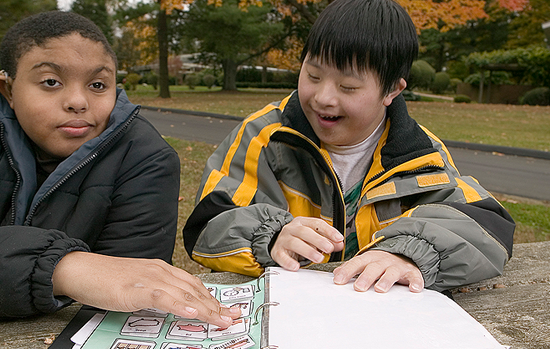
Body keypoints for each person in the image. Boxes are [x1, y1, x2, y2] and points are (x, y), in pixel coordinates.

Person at [0, 11, 239, 326]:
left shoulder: (147, 158)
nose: (78, 102)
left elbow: (128, 300)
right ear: (8, 89)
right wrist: (62, 268)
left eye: (98, 85)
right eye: (51, 81)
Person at [183, 0, 515, 294]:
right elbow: (207, 227)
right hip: (286, 318)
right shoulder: (266, 136)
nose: (323, 97)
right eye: (312, 76)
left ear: (392, 91)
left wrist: (406, 252)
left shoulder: (419, 154)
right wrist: (269, 237)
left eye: (348, 86)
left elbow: (486, 226)